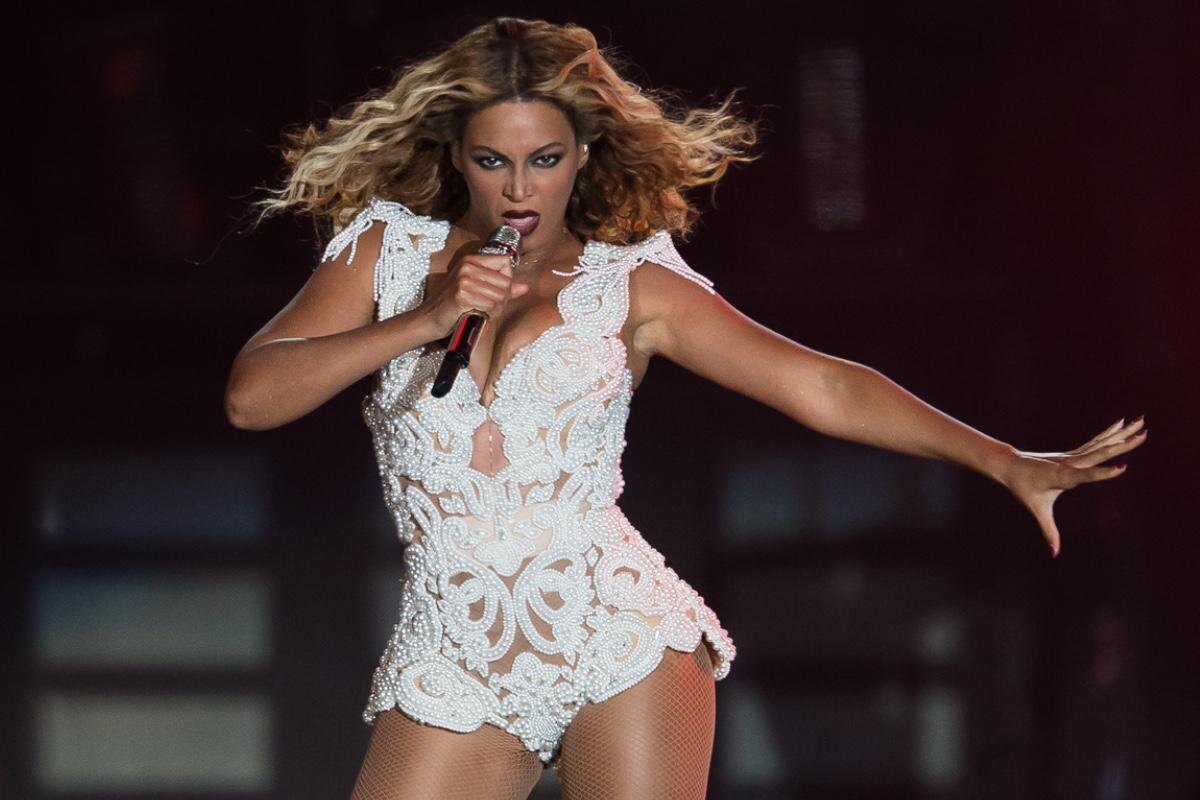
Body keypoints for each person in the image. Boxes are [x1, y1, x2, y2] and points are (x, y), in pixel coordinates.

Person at [224, 17, 1146, 800]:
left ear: (582, 154)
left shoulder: (633, 284)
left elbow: (822, 386)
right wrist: (426, 317)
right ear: (456, 158)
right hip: (452, 646)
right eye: (493, 161)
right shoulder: (386, 253)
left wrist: (1005, 461)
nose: (519, 189)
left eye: (544, 160)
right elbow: (253, 397)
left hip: (614, 631)